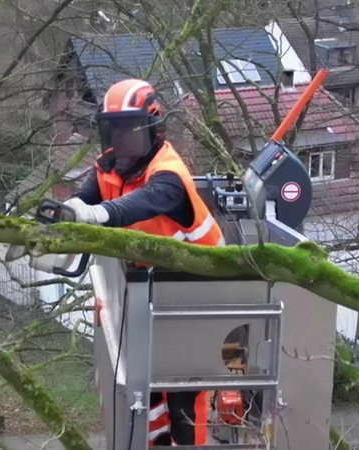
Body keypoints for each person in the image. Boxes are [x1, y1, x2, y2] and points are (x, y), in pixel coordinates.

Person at [62, 78, 224, 446]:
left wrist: (99, 215)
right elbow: (83, 200)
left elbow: (141, 203)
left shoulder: (168, 176)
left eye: (130, 131)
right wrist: (64, 215)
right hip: (146, 294)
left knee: (184, 394)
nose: (120, 141)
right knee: (145, 391)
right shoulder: (107, 167)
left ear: (153, 130)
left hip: (197, 296)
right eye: (113, 131)